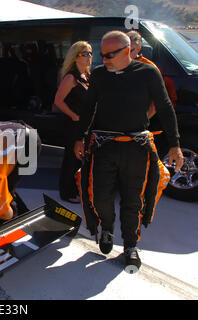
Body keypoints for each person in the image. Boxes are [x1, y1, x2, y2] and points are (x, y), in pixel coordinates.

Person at [74, 31, 184, 272]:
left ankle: (130, 247)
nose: (104, 60)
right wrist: (80, 137)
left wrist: (174, 144)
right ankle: (107, 229)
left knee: (133, 201)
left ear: (127, 51)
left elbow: (165, 107)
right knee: (100, 197)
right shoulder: (101, 75)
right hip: (104, 147)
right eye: (101, 55)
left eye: (109, 55)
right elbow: (89, 107)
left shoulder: (148, 73)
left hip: (136, 148)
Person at [53, 41, 92, 203]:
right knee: (71, 157)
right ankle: (66, 192)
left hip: (85, 124)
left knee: (80, 157)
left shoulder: (87, 76)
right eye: (85, 53)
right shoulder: (71, 77)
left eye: (90, 53)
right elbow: (58, 101)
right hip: (73, 124)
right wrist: (73, 116)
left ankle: (76, 189)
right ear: (75, 57)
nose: (89, 56)